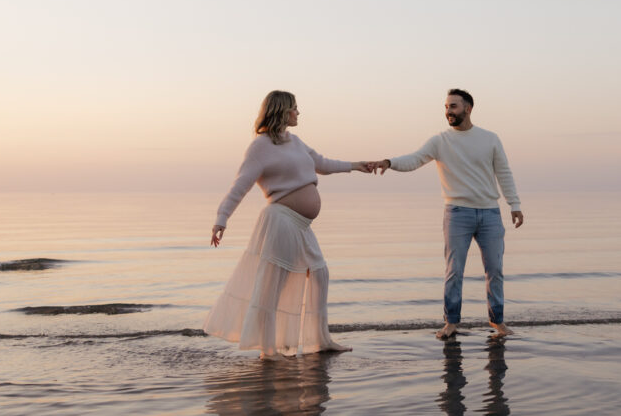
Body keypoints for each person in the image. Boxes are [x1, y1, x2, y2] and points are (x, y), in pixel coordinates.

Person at [204, 90, 374, 359]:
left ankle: (321, 339)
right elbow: (240, 185)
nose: (298, 112)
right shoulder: (260, 146)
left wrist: (356, 165)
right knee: (274, 285)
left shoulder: (295, 141)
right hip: (281, 220)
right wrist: (221, 218)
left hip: (301, 225)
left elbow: (323, 163)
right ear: (281, 111)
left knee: (320, 273)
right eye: (294, 108)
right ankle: (268, 349)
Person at [374, 89, 524, 339]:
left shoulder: (490, 138)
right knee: (454, 270)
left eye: (453, 106)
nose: (448, 112)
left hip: (490, 213)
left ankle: (497, 322)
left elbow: (504, 173)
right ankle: (451, 322)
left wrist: (515, 205)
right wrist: (389, 162)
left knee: (495, 270)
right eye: (446, 107)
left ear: (468, 108)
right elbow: (414, 159)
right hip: (457, 214)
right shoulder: (440, 141)